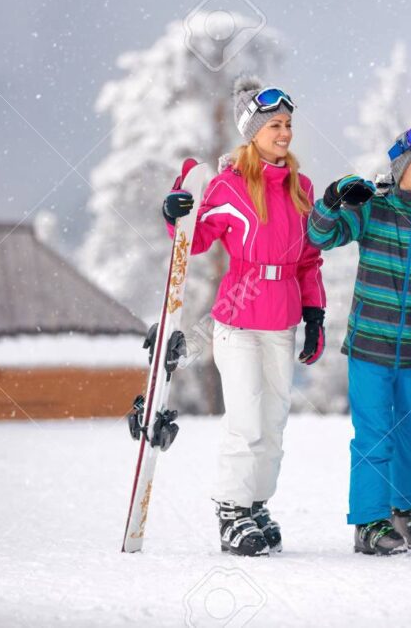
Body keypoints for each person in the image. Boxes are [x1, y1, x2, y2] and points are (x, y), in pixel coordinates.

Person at [161, 77, 326, 557]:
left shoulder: (302, 187)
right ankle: (231, 510)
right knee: (246, 420)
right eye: (275, 124)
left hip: (284, 317)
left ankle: (255, 503)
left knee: (274, 422)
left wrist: (314, 314)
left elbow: (310, 259)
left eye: (288, 124)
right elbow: (196, 236)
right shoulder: (229, 186)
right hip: (237, 317)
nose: (285, 133)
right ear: (252, 131)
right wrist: (174, 212)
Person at [307, 124, 411, 555]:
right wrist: (330, 201)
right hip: (369, 346)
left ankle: (403, 506)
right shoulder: (374, 210)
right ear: (400, 168)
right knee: (375, 434)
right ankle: (369, 522)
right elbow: (320, 236)